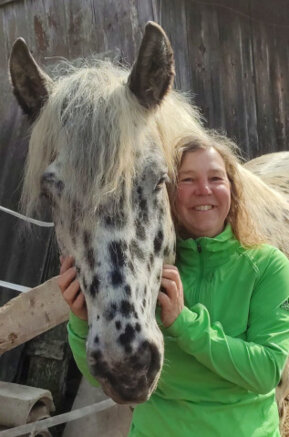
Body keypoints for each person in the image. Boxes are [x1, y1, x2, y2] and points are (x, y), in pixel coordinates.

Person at [58, 133, 289, 436]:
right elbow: (108, 377)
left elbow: (267, 373)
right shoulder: (145, 267)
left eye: (216, 178)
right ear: (168, 193)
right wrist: (80, 321)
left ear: (232, 187)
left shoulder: (268, 265)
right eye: (188, 180)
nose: (203, 190)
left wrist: (185, 324)